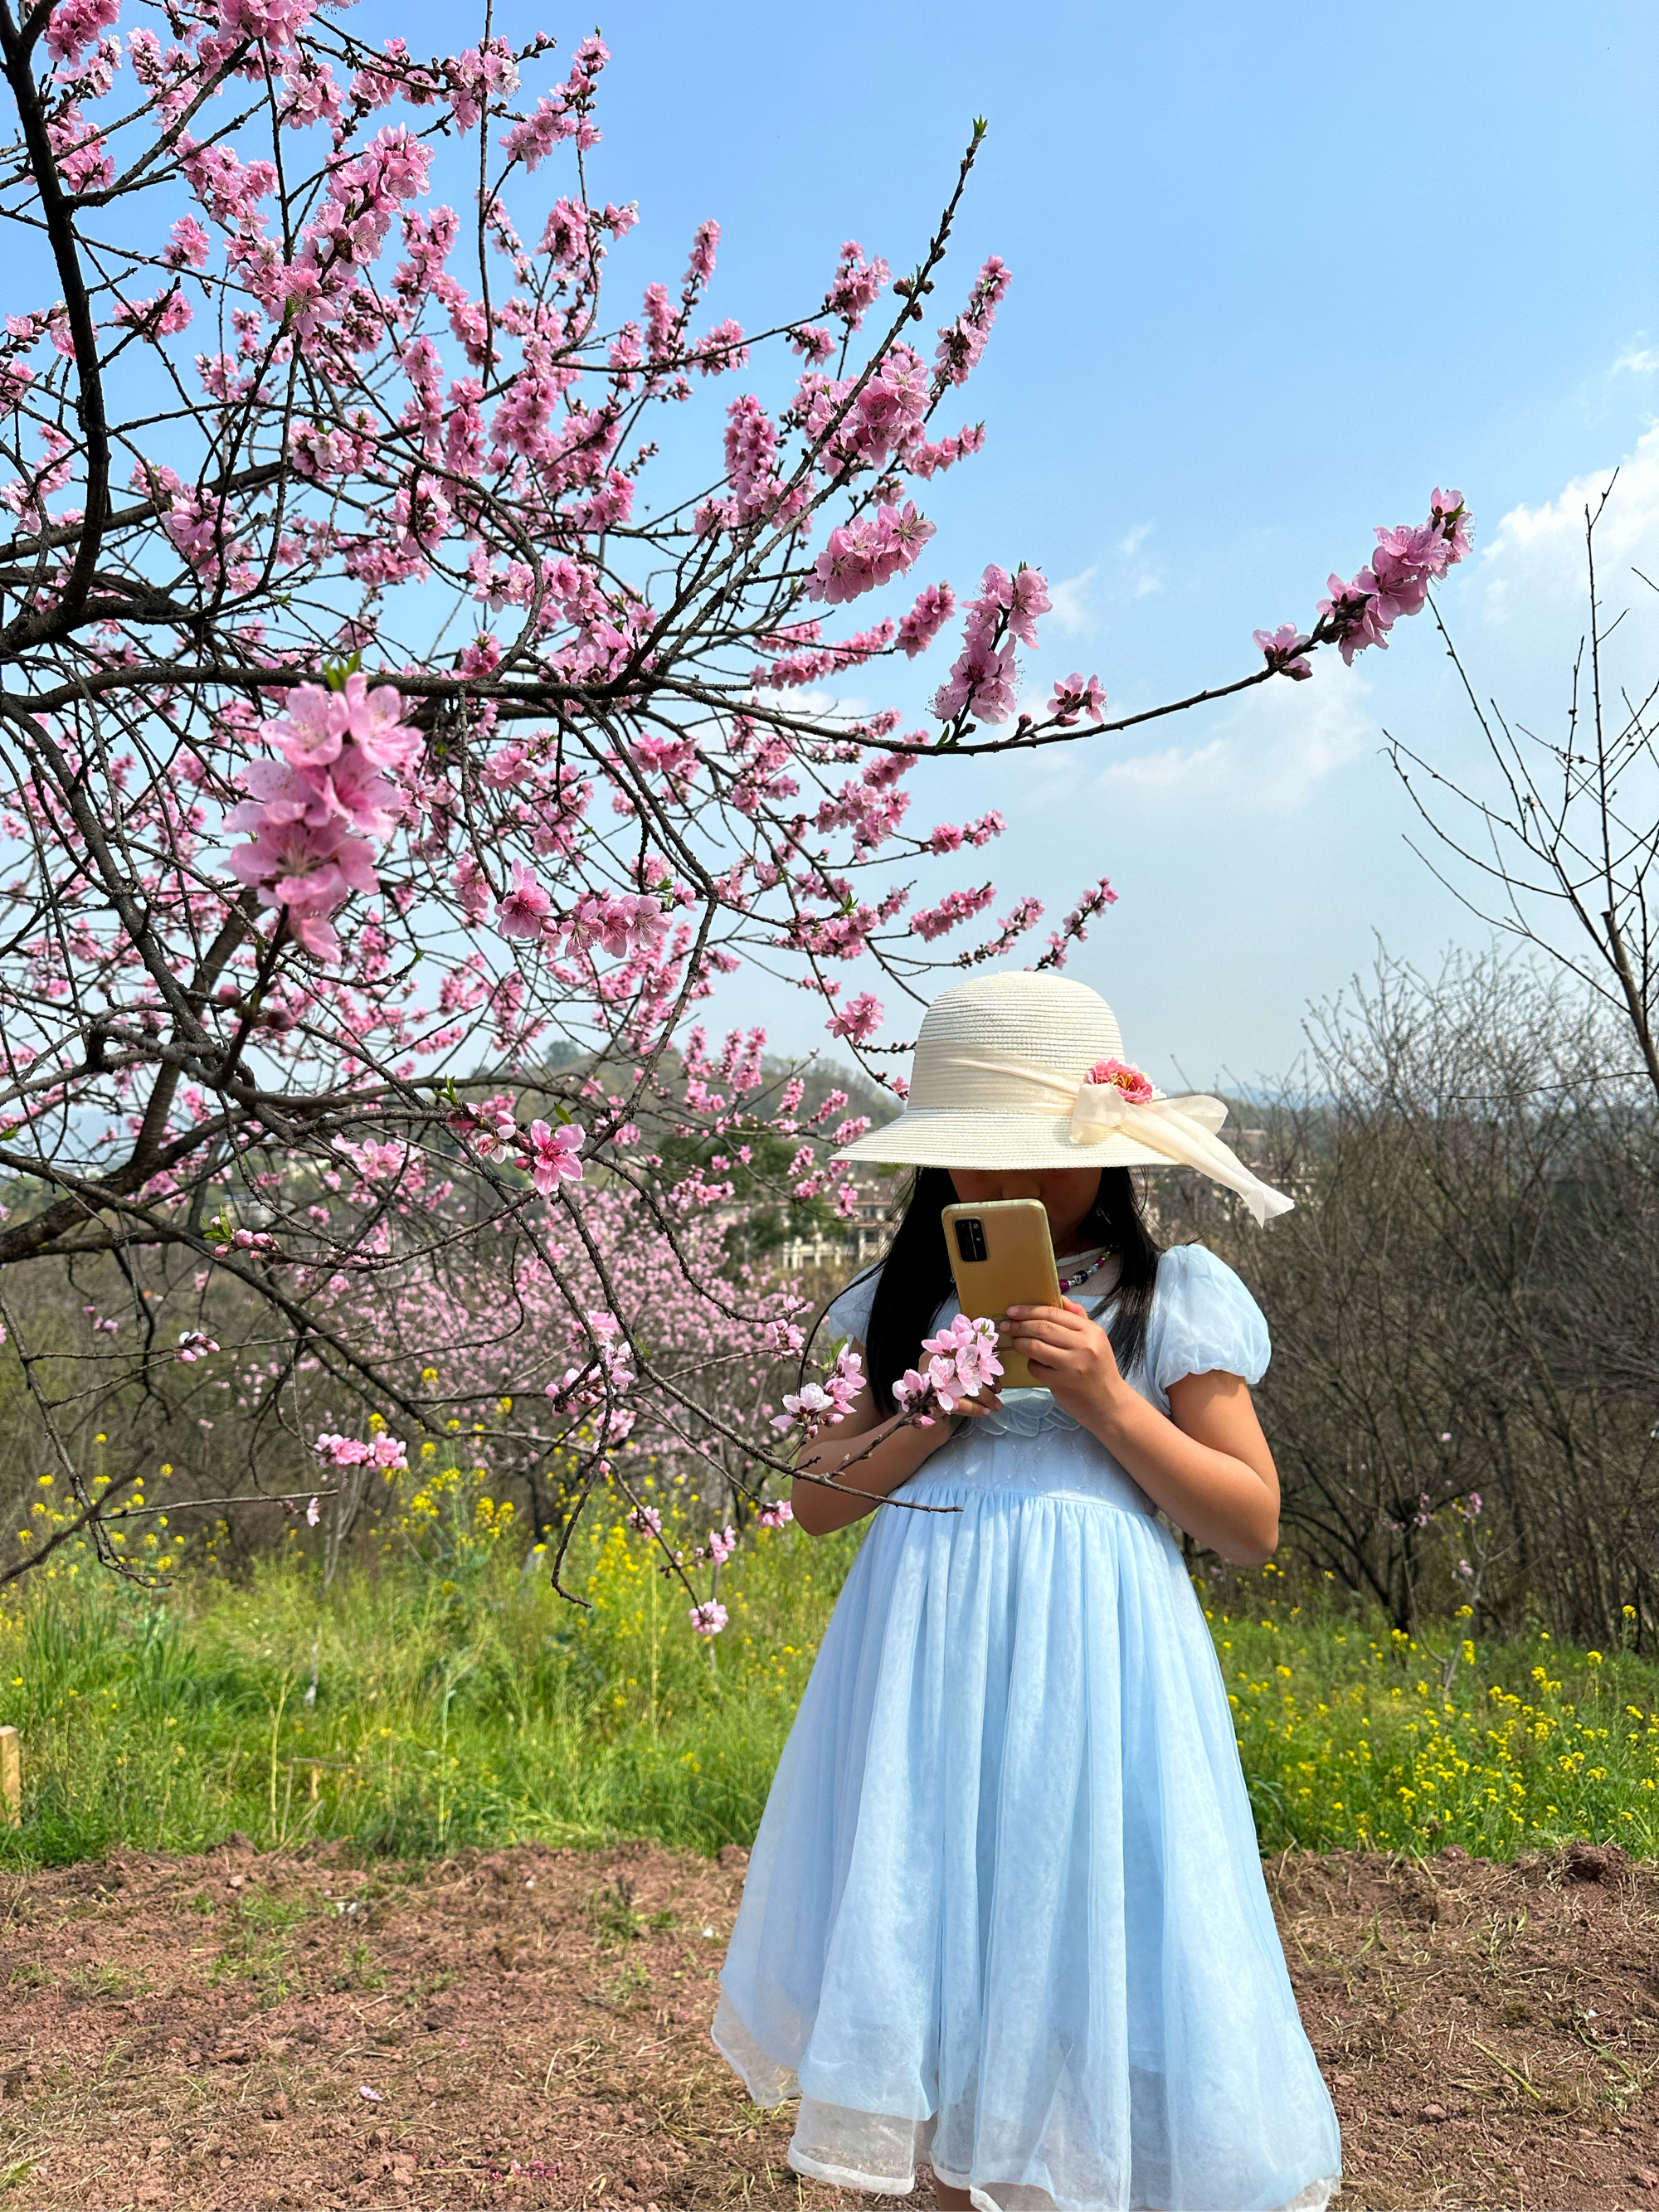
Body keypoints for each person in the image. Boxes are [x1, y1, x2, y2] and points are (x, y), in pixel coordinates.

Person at [712, 970, 1342, 2212]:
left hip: (1100, 1666)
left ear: (1102, 1159)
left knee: (1083, 1920)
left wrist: (1108, 1399)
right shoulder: (901, 1302)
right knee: (935, 1915)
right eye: (963, 1159)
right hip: (925, 1659)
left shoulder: (1170, 1297)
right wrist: (929, 1417)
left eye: (1027, 1158)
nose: (992, 1187)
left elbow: (1250, 1522)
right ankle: (961, 2181)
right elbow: (818, 1497)